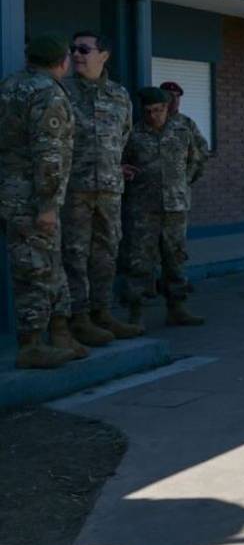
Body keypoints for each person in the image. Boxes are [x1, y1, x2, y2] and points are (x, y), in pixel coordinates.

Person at [0, 36, 89, 369]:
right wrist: (49, 205)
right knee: (37, 269)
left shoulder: (9, 87)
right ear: (62, 61)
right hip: (33, 199)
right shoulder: (46, 92)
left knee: (43, 263)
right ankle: (32, 344)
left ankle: (61, 334)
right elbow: (48, 154)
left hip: (12, 193)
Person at [61, 31, 141, 346]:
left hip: (108, 189)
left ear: (103, 55)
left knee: (106, 253)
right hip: (73, 190)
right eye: (73, 50)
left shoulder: (120, 95)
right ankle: (78, 319)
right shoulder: (62, 92)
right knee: (74, 254)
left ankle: (102, 313)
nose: (77, 55)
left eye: (84, 49)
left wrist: (110, 167)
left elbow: (123, 137)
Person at [121, 87, 209, 329]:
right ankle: (136, 313)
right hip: (143, 207)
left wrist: (184, 181)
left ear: (167, 108)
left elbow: (199, 157)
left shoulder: (183, 129)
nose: (153, 116)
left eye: (158, 110)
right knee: (139, 259)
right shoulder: (133, 132)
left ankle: (177, 307)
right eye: (149, 111)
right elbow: (121, 162)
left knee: (175, 256)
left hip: (175, 206)